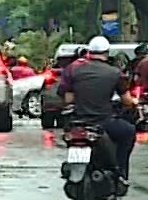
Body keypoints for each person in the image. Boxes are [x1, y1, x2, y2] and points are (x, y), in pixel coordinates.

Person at [58, 36, 135, 186]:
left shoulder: (73, 70)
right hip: (104, 122)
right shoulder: (115, 73)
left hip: (77, 122)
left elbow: (67, 99)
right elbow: (127, 101)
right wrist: (132, 104)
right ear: (107, 53)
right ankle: (120, 174)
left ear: (89, 52)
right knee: (129, 132)